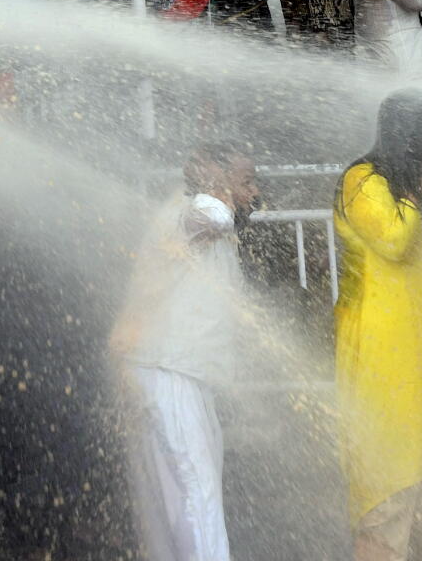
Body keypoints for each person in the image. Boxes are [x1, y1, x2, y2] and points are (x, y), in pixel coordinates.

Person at [110, 145, 260, 561]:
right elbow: (214, 212)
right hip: (169, 371)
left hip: (176, 371)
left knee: (178, 497)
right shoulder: (192, 211)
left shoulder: (199, 219)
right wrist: (217, 185)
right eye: (246, 181)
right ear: (216, 178)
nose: (255, 193)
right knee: (197, 492)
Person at [333, 93, 422, 561]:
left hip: (419, 347)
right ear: (415, 139)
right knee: (387, 490)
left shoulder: (409, 184)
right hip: (378, 349)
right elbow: (396, 240)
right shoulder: (363, 180)